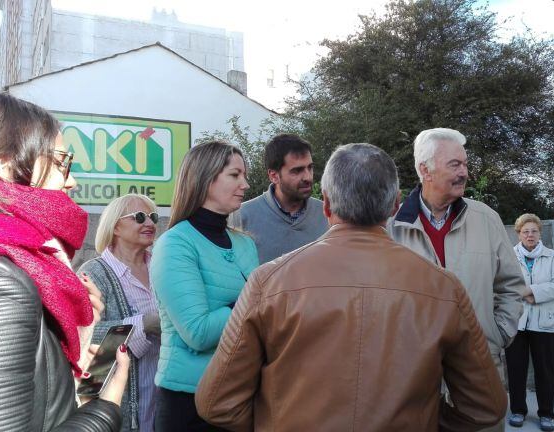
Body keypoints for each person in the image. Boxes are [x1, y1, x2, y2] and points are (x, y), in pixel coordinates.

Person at [195, 143, 507, 431]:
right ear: (395, 205)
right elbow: (485, 407)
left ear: (326, 205)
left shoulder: (268, 282)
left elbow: (217, 404)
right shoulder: (443, 288)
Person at [0, 91, 129, 431]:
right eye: (61, 163)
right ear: (6, 165)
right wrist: (104, 409)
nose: (72, 180)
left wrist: (65, 363)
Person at [387, 127, 525, 431]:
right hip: (411, 376)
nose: (464, 172)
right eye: (455, 165)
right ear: (425, 169)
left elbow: (512, 285)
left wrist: (497, 334)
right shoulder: (392, 227)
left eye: (464, 164)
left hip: (479, 370)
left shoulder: (485, 219)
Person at [150, 140, 259, 431]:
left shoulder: (245, 244)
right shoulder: (174, 244)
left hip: (240, 394)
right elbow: (197, 332)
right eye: (235, 175)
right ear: (206, 179)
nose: (245, 184)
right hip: (189, 402)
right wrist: (256, 299)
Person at [79, 194, 162, 432]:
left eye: (153, 217)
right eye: (139, 217)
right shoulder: (93, 273)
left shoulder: (163, 268)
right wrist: (143, 325)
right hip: (119, 410)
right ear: (115, 226)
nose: (150, 223)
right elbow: (84, 338)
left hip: (163, 401)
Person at [505, 214, 554, 432]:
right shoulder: (510, 256)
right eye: (525, 231)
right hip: (517, 322)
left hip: (545, 325)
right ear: (519, 234)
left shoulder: (551, 256)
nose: (530, 235)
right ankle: (518, 411)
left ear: (540, 233)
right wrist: (523, 294)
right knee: (516, 370)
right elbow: (504, 285)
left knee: (545, 371)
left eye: (534, 231)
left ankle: (546, 414)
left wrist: (532, 292)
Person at [229, 134, 328, 263]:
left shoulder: (327, 215)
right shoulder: (241, 217)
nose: (308, 177)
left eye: (310, 167)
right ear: (274, 176)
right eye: (297, 171)